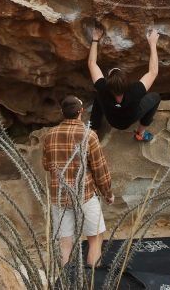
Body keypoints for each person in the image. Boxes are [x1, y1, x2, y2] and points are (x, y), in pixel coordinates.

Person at [42, 95, 114, 266]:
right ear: (81, 112)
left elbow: (46, 165)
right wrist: (107, 193)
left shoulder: (49, 136)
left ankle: (65, 283)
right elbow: (99, 169)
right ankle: (91, 282)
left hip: (59, 196)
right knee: (95, 239)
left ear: (62, 112)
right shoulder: (89, 136)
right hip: (85, 195)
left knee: (65, 243)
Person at [87, 27, 160, 142]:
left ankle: (93, 130)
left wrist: (95, 38)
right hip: (128, 121)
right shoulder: (135, 90)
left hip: (111, 118)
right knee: (156, 97)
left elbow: (92, 63)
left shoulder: (102, 88)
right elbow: (153, 72)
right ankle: (140, 133)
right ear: (128, 83)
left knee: (98, 97)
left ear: (107, 81)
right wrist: (152, 44)